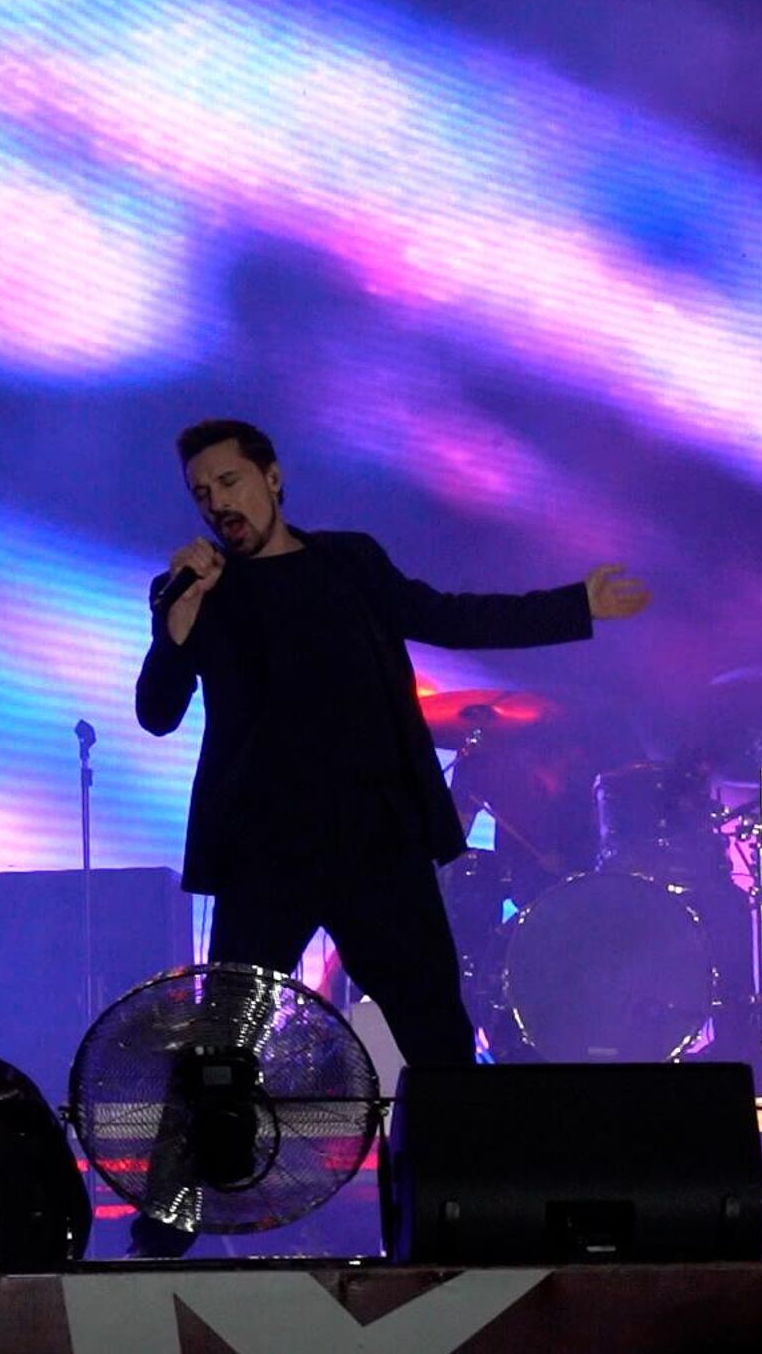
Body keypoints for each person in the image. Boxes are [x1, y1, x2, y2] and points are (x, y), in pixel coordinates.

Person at [135, 418, 651, 1074]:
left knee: (437, 1034)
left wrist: (576, 605)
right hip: (263, 850)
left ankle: (449, 1145)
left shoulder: (350, 562)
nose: (217, 503)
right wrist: (176, 624)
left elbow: (449, 617)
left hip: (376, 842)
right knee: (224, 1046)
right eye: (202, 493)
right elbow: (157, 714)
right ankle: (200, 1145)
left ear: (272, 477)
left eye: (229, 481)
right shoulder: (196, 593)